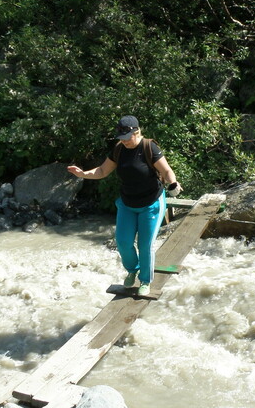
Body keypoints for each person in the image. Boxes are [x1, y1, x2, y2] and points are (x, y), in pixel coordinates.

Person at [67, 115, 182, 297]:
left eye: (128, 138)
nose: (125, 142)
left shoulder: (148, 147)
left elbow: (166, 170)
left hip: (151, 203)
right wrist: (83, 174)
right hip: (128, 203)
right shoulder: (119, 150)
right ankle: (132, 269)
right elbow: (102, 170)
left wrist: (173, 183)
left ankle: (145, 280)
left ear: (137, 132)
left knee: (145, 245)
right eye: (121, 138)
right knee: (123, 242)